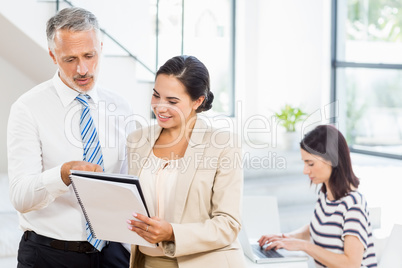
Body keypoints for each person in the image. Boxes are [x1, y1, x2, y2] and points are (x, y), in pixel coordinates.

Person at [7, 7, 134, 268]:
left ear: (101, 46)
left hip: (112, 254)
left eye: (90, 55)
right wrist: (63, 174)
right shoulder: (27, 108)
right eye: (70, 59)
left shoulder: (120, 106)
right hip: (49, 255)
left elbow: (128, 182)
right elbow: (20, 196)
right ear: (53, 56)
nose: (83, 68)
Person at [125, 55, 245, 268]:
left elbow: (228, 224)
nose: (160, 107)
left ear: (197, 101)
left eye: (172, 101)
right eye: (156, 95)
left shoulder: (223, 145)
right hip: (147, 262)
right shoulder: (137, 140)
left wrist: (172, 233)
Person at [258, 125, 378, 268]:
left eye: (310, 163)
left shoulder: (353, 204)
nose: (305, 170)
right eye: (304, 163)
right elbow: (320, 225)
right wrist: (287, 237)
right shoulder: (325, 195)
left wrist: (304, 246)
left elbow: (351, 264)